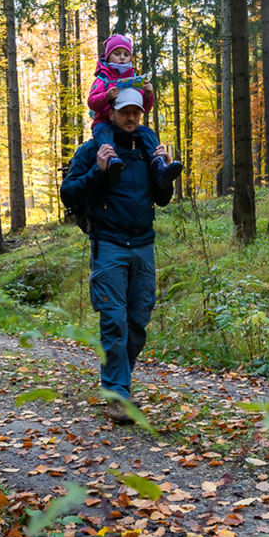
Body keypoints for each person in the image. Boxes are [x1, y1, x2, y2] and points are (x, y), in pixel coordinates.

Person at [61, 87, 180, 423]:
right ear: (111, 112)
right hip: (109, 245)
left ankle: (119, 383)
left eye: (136, 113)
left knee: (138, 320)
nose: (130, 118)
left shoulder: (146, 150)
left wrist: (165, 171)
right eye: (125, 111)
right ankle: (118, 395)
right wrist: (97, 171)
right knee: (114, 320)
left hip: (143, 245)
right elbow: (67, 192)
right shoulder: (94, 149)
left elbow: (162, 199)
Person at [87, 34, 182, 188]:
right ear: (108, 56)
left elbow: (145, 106)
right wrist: (106, 96)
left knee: (148, 133)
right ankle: (112, 162)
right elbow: (92, 102)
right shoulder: (102, 79)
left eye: (126, 54)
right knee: (104, 135)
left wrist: (149, 94)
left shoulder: (134, 77)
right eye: (117, 54)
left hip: (128, 124)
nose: (122, 58)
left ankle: (159, 165)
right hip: (103, 122)